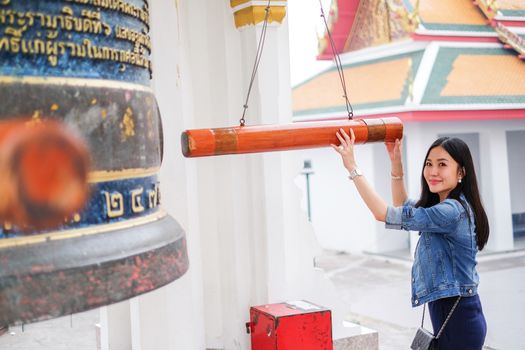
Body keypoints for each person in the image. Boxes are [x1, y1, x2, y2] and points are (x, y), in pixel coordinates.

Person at [332, 128, 488, 349]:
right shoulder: (442, 207)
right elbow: (402, 205)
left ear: (461, 172)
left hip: (459, 318)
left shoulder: (451, 212)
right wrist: (396, 163)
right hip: (451, 314)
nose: (433, 171)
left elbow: (383, 213)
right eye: (429, 164)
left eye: (442, 164)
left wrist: (352, 168)